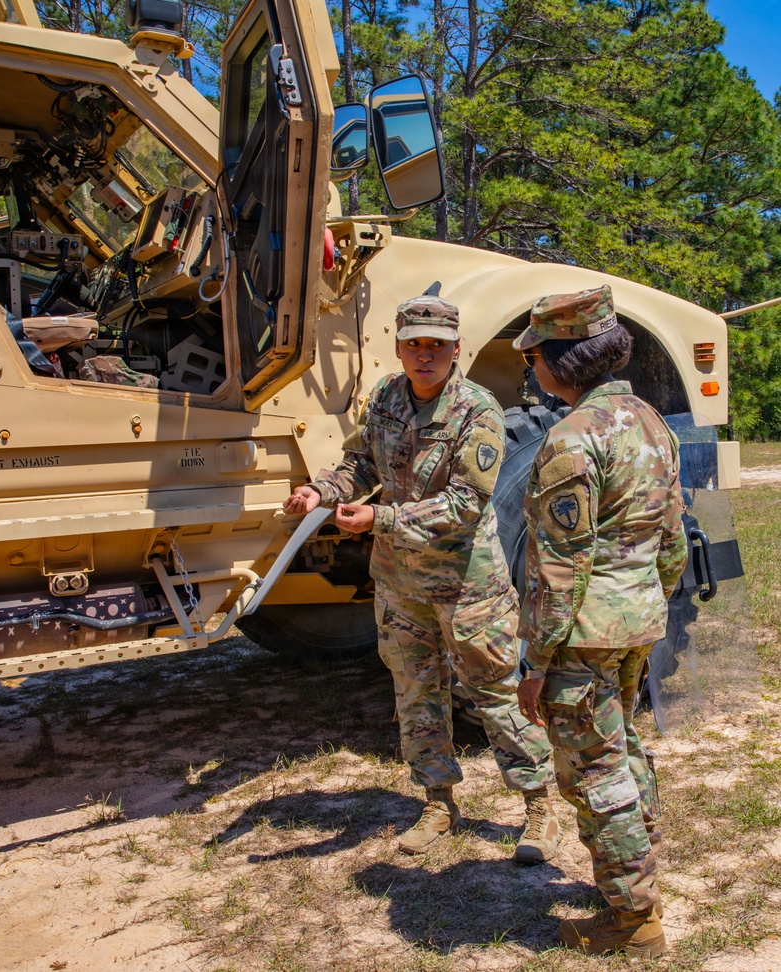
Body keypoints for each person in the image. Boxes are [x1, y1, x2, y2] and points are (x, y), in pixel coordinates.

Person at [284, 293, 558, 861]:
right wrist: (321, 491)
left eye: (437, 345)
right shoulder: (386, 395)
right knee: (415, 694)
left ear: (457, 349)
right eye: (415, 345)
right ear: (399, 348)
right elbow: (361, 463)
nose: (425, 355)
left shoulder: (476, 410)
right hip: (400, 583)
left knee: (496, 694)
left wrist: (379, 517)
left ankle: (539, 806)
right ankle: (438, 803)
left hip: (467, 586)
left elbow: (466, 503)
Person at [513, 285, 688, 958]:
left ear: (560, 360)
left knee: (594, 771)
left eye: (536, 358)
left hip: (584, 633)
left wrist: (537, 664)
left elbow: (559, 569)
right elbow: (673, 540)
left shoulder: (571, 439)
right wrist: (648, 601)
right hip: (637, 619)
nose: (532, 370)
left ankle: (633, 918)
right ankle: (637, 871)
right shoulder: (651, 422)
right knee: (624, 751)